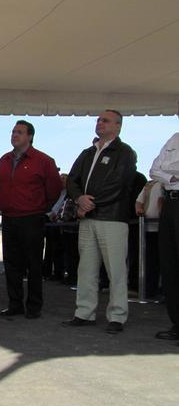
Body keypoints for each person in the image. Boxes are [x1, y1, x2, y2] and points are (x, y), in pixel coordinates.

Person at [63, 110, 137, 334]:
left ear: (118, 126)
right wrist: (79, 198)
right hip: (88, 219)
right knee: (86, 268)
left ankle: (117, 316)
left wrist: (89, 203)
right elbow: (72, 179)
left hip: (112, 219)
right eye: (98, 120)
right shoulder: (87, 153)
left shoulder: (125, 152)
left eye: (105, 120)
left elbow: (119, 184)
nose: (100, 123)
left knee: (115, 270)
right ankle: (84, 312)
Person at [0, 120, 61, 319]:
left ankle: (34, 306)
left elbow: (54, 189)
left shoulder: (43, 160)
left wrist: (41, 207)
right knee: (11, 263)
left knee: (33, 264)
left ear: (30, 136)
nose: (15, 135)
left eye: (20, 132)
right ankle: (15, 304)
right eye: (13, 131)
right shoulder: (4, 160)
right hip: (9, 218)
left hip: (32, 218)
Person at [150, 102, 179, 342]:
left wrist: (167, 173)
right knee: (170, 265)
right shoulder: (173, 139)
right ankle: (176, 323)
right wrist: (172, 176)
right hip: (170, 203)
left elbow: (162, 170)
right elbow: (154, 170)